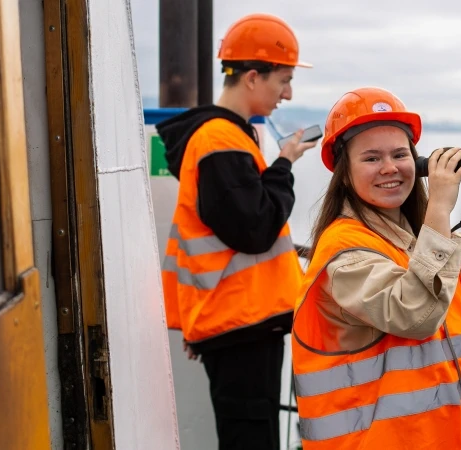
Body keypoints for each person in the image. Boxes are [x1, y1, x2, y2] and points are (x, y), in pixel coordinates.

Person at [290, 87, 461, 449]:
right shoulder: (344, 254)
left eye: (399, 154)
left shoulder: (410, 239)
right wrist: (440, 204)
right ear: (344, 174)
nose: (390, 168)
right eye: (372, 158)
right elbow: (415, 314)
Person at [155, 13, 316, 450]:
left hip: (236, 321)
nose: (288, 93)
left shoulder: (226, 138)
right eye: (282, 80)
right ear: (251, 77)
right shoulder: (220, 142)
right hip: (239, 324)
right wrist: (284, 165)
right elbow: (256, 229)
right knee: (250, 437)